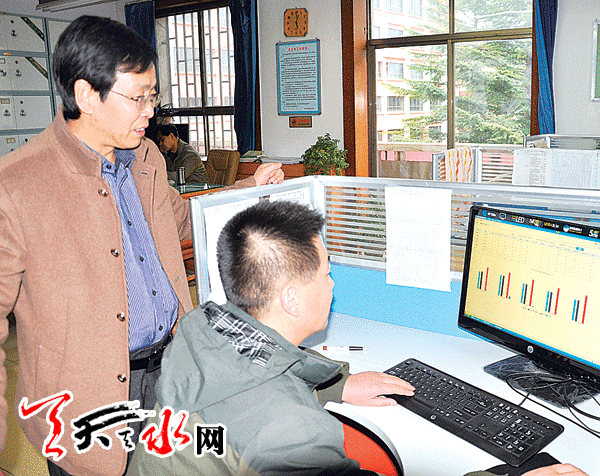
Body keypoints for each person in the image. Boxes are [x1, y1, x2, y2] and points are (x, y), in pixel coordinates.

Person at [0, 15, 282, 476]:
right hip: (86, 401)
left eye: (153, 97)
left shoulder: (145, 157)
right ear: (86, 95)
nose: (150, 111)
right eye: (138, 98)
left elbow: (182, 219)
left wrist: (248, 190)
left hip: (169, 373)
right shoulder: (18, 185)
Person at [126, 201, 590, 476]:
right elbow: (268, 410)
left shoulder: (198, 328)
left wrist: (338, 385)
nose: (333, 285)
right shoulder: (294, 433)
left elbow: (251, 376)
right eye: (326, 273)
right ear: (291, 299)